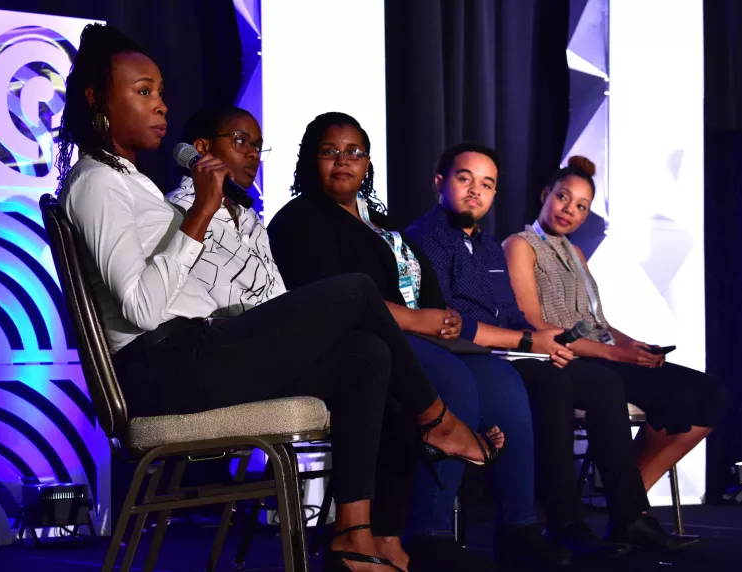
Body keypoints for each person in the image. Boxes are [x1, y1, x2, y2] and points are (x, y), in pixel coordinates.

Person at [55, 24, 496, 572]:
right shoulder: (97, 183)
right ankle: (437, 420)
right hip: (164, 367)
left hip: (197, 349)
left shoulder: (131, 181)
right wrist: (201, 214)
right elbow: (143, 310)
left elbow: (189, 290)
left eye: (161, 92)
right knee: (357, 292)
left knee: (367, 356)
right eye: (143, 92)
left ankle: (354, 536)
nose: (161, 105)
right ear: (97, 99)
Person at [266, 112, 569, 571]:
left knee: (503, 383)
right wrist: (421, 321)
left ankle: (520, 527)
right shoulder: (301, 220)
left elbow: (415, 283)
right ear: (310, 159)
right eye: (330, 151)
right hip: (354, 344)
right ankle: (429, 533)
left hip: (412, 335)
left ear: (368, 163)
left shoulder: (377, 220)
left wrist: (443, 318)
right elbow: (333, 299)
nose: (343, 160)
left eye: (354, 152)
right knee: (454, 381)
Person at [407, 142, 699, 560]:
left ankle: (627, 515)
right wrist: (532, 341)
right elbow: (449, 319)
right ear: (440, 182)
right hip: (468, 354)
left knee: (601, 383)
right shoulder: (425, 239)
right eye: (464, 179)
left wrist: (548, 344)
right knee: (554, 384)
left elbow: (513, 313)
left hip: (513, 350)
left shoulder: (487, 245)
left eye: (486, 184)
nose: (475, 191)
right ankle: (556, 523)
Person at [503, 155, 728, 507]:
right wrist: (616, 353)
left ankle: (631, 495)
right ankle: (630, 505)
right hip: (566, 359)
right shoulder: (519, 244)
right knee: (678, 395)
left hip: (602, 354)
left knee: (710, 392)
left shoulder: (576, 253)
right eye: (563, 197)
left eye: (581, 206)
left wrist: (635, 346)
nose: (569, 210)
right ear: (546, 195)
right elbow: (534, 322)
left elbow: (599, 323)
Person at [166, 106, 285, 316]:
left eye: (257, 147)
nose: (253, 154)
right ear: (202, 148)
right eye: (241, 141)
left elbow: (275, 293)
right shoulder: (181, 209)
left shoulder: (248, 215)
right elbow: (220, 307)